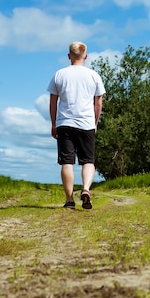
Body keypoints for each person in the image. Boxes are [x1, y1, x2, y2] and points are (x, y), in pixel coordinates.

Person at [47, 41, 105, 210]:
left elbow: (53, 102)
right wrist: (94, 123)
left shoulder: (59, 74)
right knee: (88, 161)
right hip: (86, 123)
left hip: (64, 123)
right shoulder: (94, 75)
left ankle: (69, 199)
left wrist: (53, 123)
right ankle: (86, 189)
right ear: (85, 55)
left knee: (67, 162)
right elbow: (98, 103)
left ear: (69, 56)